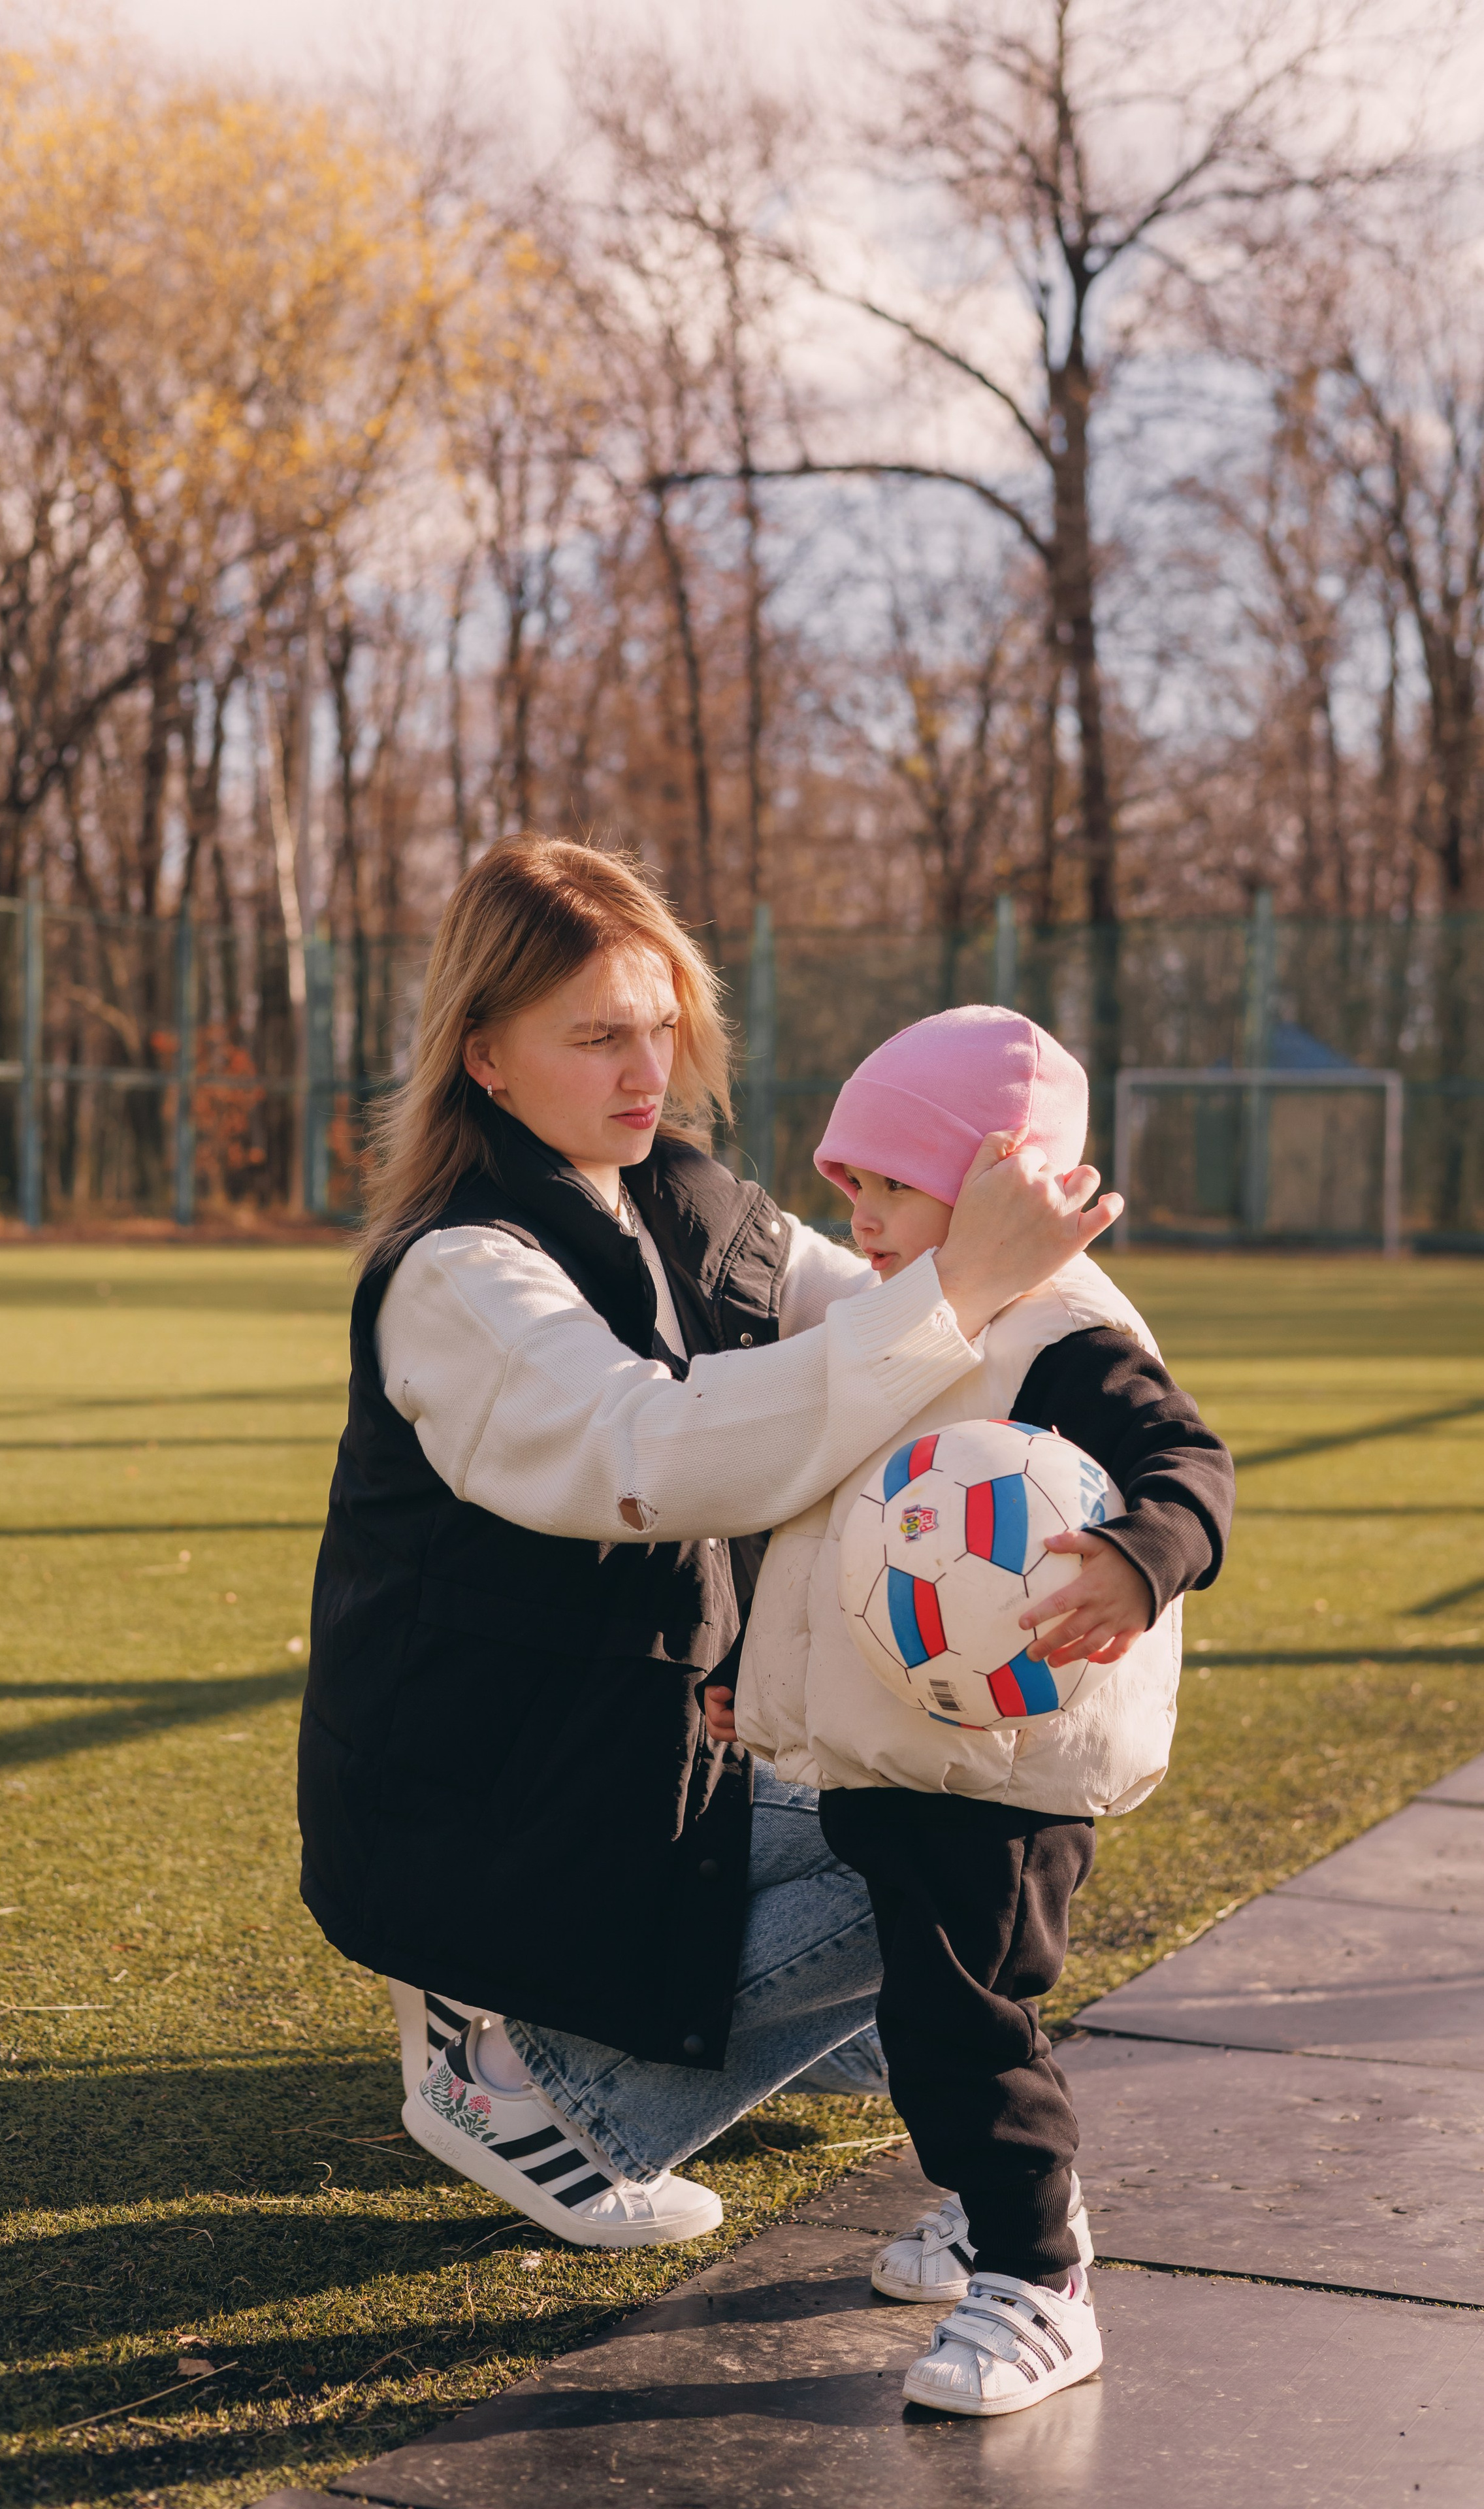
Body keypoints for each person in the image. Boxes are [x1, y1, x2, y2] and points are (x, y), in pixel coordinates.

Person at [298, 839, 1123, 2251]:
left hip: (629, 1760)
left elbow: (889, 1307)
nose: (648, 1069)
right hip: (478, 1805)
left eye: (663, 1021)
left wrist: (1096, 1362)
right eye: (598, 1035)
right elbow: (655, 1452)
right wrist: (961, 1284)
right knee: (920, 1880)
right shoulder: (457, 1271)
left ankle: (566, 2011)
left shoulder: (687, 1201)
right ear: (485, 1059)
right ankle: (538, 2086)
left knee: (973, 1844)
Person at [725, 1004, 1235, 2414]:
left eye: (889, 1185)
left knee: (966, 2022)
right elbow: (831, 1532)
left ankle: (1038, 2279)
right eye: (847, 1185)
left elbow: (1187, 1461)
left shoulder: (1065, 1332)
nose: (860, 1216)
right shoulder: (916, 1322)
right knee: (937, 2013)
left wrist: (1140, 1561)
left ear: (1000, 1181)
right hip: (913, 1752)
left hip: (998, 1768)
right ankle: (988, 2210)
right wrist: (738, 1683)